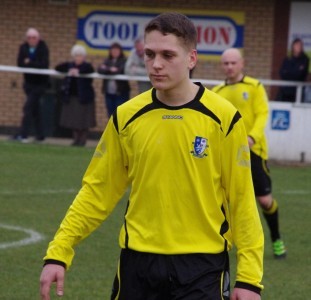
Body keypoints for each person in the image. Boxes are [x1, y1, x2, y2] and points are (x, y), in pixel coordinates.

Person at [40, 13, 264, 300]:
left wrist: (249, 279)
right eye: (149, 54)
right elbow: (97, 191)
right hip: (138, 264)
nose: (156, 64)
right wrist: (59, 251)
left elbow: (242, 198)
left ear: (191, 58)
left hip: (202, 266)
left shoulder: (224, 118)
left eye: (168, 55)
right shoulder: (126, 116)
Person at [212, 48, 287, 260]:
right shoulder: (217, 92)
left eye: (233, 63)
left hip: (253, 152)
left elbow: (262, 113)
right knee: (228, 199)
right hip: (227, 155)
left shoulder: (254, 87)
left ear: (242, 63)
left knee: (264, 200)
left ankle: (277, 238)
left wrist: (252, 137)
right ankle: (228, 241)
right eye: (225, 63)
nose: (229, 67)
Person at [55, 45, 96, 147]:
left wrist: (79, 72)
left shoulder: (87, 66)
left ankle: (83, 140)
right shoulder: (70, 65)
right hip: (72, 98)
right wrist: (70, 70)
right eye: (77, 56)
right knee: (73, 121)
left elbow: (90, 70)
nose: (78, 58)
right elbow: (58, 68)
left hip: (84, 99)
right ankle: (76, 140)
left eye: (80, 56)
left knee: (83, 121)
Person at [14, 28, 50, 143]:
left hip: (40, 84)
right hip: (28, 83)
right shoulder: (23, 47)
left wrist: (29, 62)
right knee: (35, 110)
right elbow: (20, 63)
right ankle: (40, 136)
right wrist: (32, 63)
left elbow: (44, 64)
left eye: (34, 37)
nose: (31, 40)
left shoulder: (43, 47)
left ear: (38, 38)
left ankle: (23, 134)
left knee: (27, 107)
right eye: (29, 37)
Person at [98, 42, 130, 117]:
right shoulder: (107, 60)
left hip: (121, 92)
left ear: (120, 51)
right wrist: (110, 69)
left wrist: (106, 69)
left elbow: (120, 71)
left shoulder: (124, 61)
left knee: (120, 114)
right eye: (113, 51)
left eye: (116, 51)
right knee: (110, 113)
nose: (114, 52)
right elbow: (100, 70)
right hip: (108, 93)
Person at [276, 38, 309, 102]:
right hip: (285, 91)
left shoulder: (305, 59)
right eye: (297, 45)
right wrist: (295, 71)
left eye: (300, 45)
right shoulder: (288, 59)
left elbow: (300, 75)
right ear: (293, 46)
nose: (299, 47)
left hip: (298, 91)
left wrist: (289, 72)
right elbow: (282, 73)